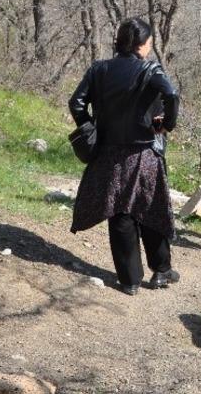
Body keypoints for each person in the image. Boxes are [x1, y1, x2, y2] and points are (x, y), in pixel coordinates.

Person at [69, 18, 180, 295]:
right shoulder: (150, 69)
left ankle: (129, 280)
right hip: (143, 151)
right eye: (149, 44)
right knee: (150, 210)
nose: (150, 48)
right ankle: (161, 271)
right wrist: (166, 124)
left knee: (119, 212)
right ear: (141, 46)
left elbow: (76, 103)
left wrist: (90, 127)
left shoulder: (99, 69)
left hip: (108, 152)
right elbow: (172, 94)